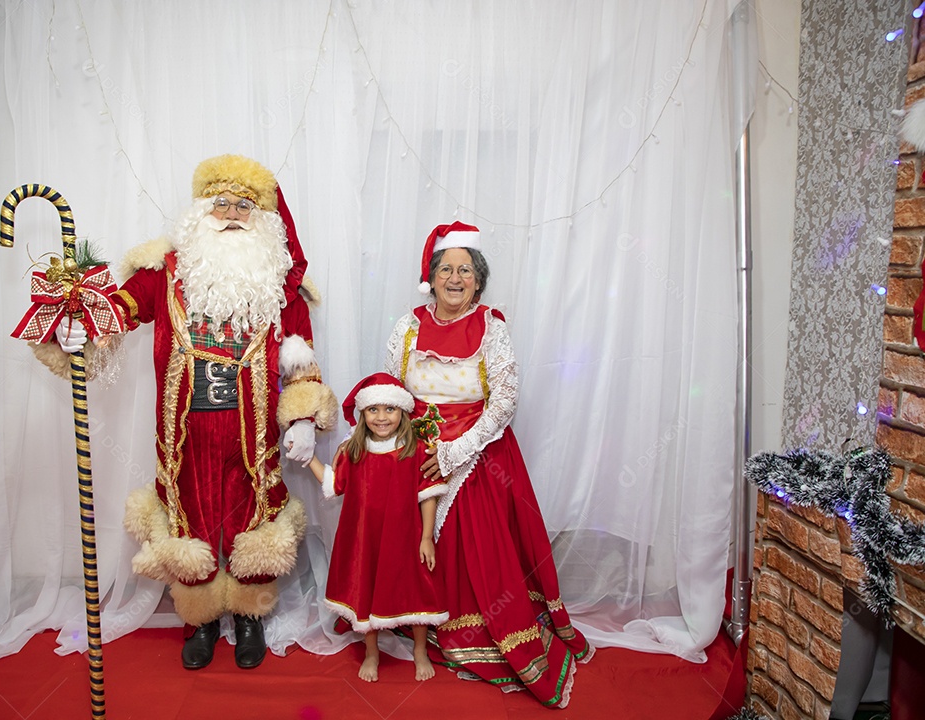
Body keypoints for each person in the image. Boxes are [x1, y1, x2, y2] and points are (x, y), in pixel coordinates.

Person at [40, 154, 338, 670]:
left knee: (256, 518)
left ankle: (249, 616)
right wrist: (78, 326)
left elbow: (300, 356)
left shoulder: (280, 283)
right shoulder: (167, 269)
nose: (230, 213)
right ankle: (198, 618)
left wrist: (305, 420)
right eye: (219, 202)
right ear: (201, 209)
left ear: (264, 219)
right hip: (184, 434)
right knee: (187, 518)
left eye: (244, 205)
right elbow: (119, 309)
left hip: (255, 432)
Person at [383, 221, 594, 708]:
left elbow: (504, 401)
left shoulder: (492, 328)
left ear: (478, 280)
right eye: (445, 269)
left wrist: (456, 452)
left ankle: (475, 632)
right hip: (417, 450)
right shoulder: (407, 327)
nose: (454, 278)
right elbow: (394, 392)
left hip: (480, 453)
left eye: (465, 270)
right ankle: (419, 623)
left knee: (478, 548)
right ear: (431, 276)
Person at [305, 372, 448, 683]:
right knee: (365, 588)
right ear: (362, 413)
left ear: (403, 411)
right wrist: (308, 458)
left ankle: (420, 649)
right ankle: (372, 652)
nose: (382, 418)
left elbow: (428, 496)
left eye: (390, 409)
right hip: (363, 538)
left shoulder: (417, 449)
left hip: (406, 535)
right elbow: (333, 484)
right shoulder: (352, 451)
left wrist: (426, 537)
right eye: (373, 410)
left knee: (416, 587)